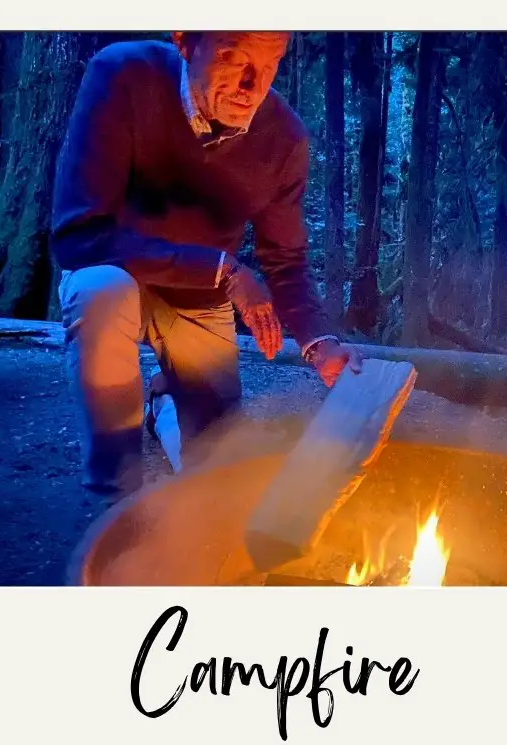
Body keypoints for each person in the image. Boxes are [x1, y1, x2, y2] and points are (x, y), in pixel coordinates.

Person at [51, 31, 362, 500]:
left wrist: (319, 342)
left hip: (196, 297)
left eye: (271, 63)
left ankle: (164, 409)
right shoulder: (124, 76)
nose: (251, 85)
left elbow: (286, 257)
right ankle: (115, 496)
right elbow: (79, 235)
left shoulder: (282, 138)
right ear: (184, 41)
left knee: (217, 466)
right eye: (232, 59)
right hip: (114, 269)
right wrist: (224, 270)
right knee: (100, 294)